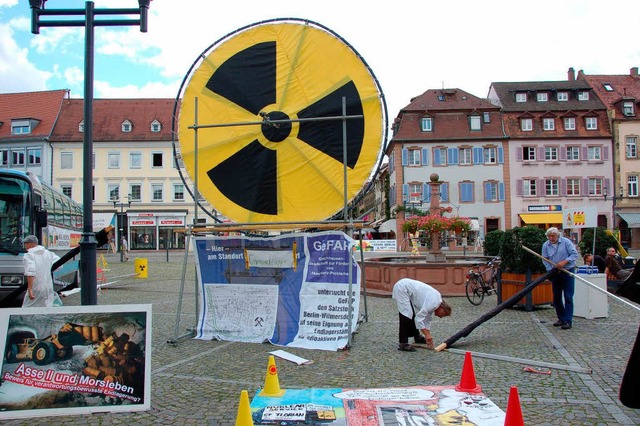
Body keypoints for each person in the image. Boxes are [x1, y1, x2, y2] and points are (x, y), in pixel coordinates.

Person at [392, 278, 452, 352]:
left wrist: (428, 334)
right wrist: (427, 335)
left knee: (410, 314)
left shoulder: (436, 301)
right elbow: (419, 319)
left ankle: (417, 337)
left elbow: (426, 319)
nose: (440, 316)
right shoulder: (434, 303)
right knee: (406, 314)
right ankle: (403, 343)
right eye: (443, 314)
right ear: (442, 308)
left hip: (406, 288)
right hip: (402, 288)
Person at [541, 227, 579, 330]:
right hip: (555, 272)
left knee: (568, 296)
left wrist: (565, 261)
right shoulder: (546, 245)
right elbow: (545, 259)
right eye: (549, 236)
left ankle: (568, 321)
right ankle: (561, 318)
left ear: (557, 235)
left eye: (553, 236)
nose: (551, 238)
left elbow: (574, 254)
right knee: (556, 297)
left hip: (567, 271)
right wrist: (550, 269)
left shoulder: (566, 242)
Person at [22, 235, 61, 308]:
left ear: (30, 243)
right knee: (46, 307)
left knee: (27, 309)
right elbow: (59, 263)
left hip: (36, 287)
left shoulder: (29, 255)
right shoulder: (48, 253)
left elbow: (31, 272)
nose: (25, 246)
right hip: (48, 287)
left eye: (25, 243)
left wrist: (30, 289)